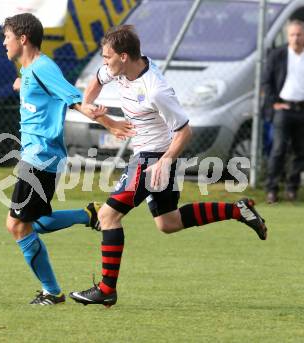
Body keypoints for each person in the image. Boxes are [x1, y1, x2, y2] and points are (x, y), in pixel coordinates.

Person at [65, 25, 268, 307]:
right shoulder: (118, 68)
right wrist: (88, 104)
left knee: (108, 216)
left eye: (107, 57)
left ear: (124, 56)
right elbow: (96, 82)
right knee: (168, 223)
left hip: (154, 159)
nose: (104, 63)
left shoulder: (155, 90)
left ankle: (106, 288)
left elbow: (185, 131)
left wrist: (165, 162)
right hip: (150, 157)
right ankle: (238, 210)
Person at [2, 13, 134, 305]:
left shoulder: (43, 68)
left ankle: (51, 292)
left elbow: (75, 100)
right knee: (34, 222)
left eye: (7, 37)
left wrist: (111, 124)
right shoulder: (30, 68)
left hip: (40, 157)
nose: (3, 43)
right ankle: (88, 214)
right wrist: (19, 82)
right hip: (38, 157)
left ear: (22, 39)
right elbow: (29, 78)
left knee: (17, 226)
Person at [263, 19, 304, 204]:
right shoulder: (278, 55)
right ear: (288, 37)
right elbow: (266, 82)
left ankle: (292, 188)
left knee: (300, 152)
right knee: (278, 149)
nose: (296, 38)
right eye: (292, 35)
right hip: (284, 110)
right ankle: (271, 189)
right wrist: (274, 103)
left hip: (302, 110)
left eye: (299, 34)